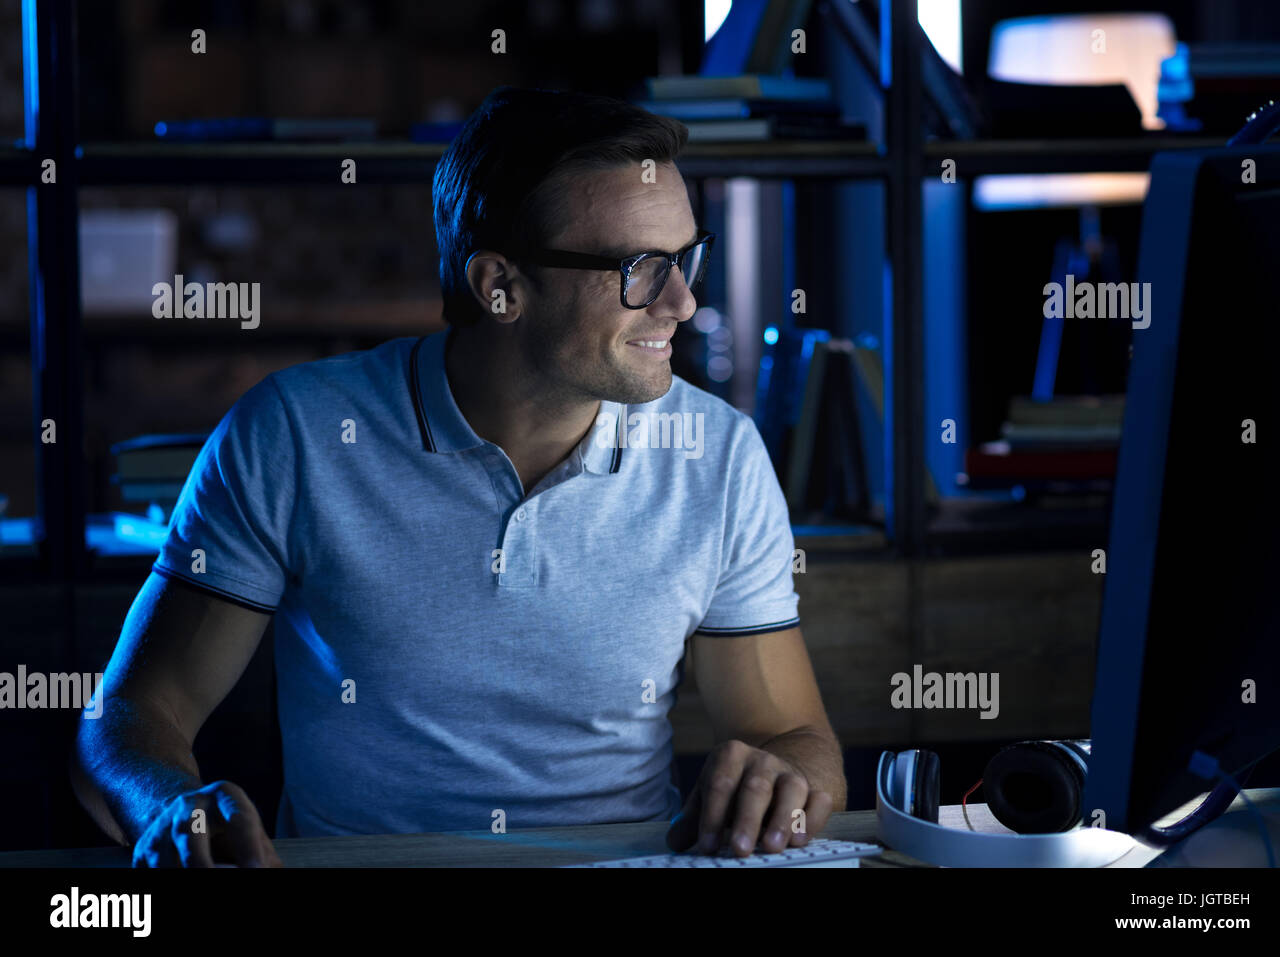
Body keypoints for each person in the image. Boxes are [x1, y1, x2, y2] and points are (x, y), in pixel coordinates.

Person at [71, 86, 846, 867]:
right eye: (641, 269)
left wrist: (787, 780)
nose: (682, 301)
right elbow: (133, 711)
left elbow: (795, 739)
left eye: (685, 259)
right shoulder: (294, 434)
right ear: (498, 285)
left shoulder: (718, 453)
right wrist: (170, 806)